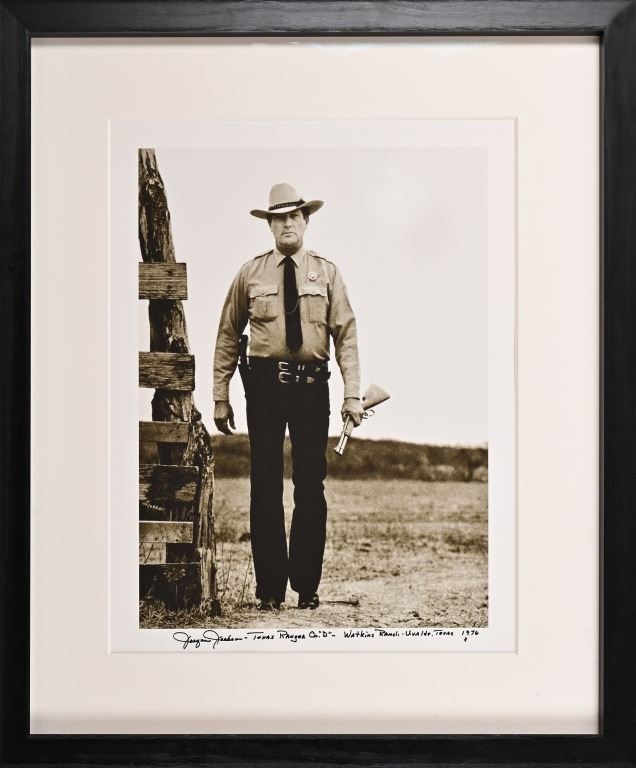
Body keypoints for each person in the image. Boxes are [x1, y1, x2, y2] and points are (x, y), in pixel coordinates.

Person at [213, 182, 363, 611]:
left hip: (312, 388)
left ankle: (307, 586)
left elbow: (346, 336)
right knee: (264, 486)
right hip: (263, 388)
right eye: (279, 218)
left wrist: (353, 394)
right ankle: (270, 589)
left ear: (306, 221)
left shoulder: (327, 272)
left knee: (310, 487)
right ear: (270, 225)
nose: (287, 225)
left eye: (294, 216)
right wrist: (220, 394)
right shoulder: (250, 273)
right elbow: (227, 333)